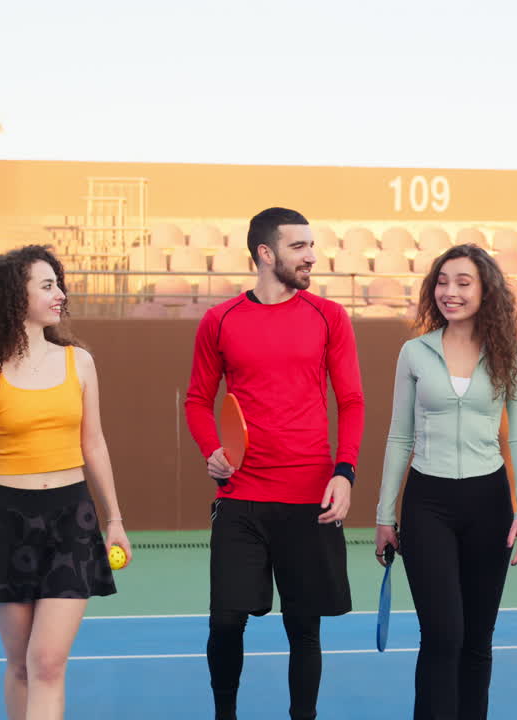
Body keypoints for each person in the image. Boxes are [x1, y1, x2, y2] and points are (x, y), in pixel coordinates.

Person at [184, 207, 366, 720]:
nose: (312, 255)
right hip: (240, 498)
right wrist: (211, 450)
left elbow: (352, 400)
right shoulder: (219, 320)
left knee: (304, 628)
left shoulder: (329, 317)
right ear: (265, 254)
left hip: (310, 498)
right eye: (299, 246)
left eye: (312, 245)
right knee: (225, 623)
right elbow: (198, 400)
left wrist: (344, 472)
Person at [0, 245, 131, 720]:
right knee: (20, 666)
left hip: (72, 519)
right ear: (14, 297)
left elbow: (95, 444)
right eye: (47, 286)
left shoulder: (79, 363)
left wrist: (116, 521)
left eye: (59, 284)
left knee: (47, 662)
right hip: (7, 521)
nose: (60, 294)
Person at [374, 243, 517, 720]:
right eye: (442, 282)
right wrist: (386, 516)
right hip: (428, 504)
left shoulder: (511, 355)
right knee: (443, 634)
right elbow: (399, 437)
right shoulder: (414, 353)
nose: (450, 292)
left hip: (489, 504)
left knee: (476, 641)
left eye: (463, 282)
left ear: (485, 290)